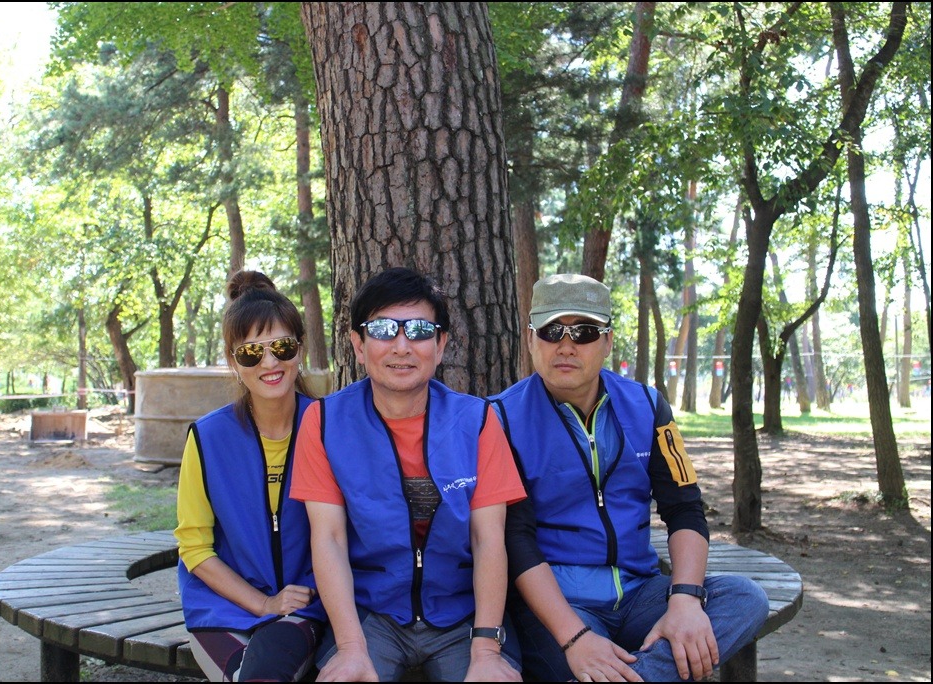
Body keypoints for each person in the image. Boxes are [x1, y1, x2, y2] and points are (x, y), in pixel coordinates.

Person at [490, 273, 769, 682]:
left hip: (641, 594)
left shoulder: (648, 406)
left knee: (745, 598)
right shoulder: (500, 419)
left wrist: (685, 601)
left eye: (584, 332)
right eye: (551, 331)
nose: (566, 346)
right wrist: (576, 639)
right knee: (572, 660)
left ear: (607, 341)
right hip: (557, 607)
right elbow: (515, 540)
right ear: (531, 339)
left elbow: (685, 509)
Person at [290, 267, 527, 682]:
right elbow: (329, 539)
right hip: (370, 615)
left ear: (440, 345)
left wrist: (487, 649)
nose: (402, 346)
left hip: (463, 614)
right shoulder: (325, 422)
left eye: (419, 330)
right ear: (358, 345)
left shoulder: (477, 421)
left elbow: (488, 539)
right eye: (383, 330)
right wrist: (350, 647)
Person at [174, 271, 326, 682]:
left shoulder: (328, 428)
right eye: (251, 353)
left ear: (300, 348)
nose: (270, 363)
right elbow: (195, 548)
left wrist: (284, 603)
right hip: (221, 606)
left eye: (282, 347)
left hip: (302, 604)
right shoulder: (208, 437)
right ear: (232, 361)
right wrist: (261, 604)